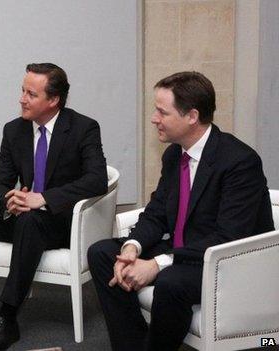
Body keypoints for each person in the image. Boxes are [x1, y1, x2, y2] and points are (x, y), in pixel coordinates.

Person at [88, 71, 274, 351]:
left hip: (228, 263)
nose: (154, 118)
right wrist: (132, 248)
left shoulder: (239, 162)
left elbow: (228, 237)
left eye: (162, 112)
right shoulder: (175, 155)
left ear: (192, 116)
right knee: (102, 253)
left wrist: (157, 264)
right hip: (186, 251)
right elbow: (157, 212)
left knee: (172, 283)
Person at [0, 63, 108, 350]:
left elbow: (97, 180)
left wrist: (43, 199)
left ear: (53, 100)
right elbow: (0, 181)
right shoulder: (14, 130)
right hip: (22, 217)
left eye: (31, 93)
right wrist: (10, 199)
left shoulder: (83, 128)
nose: (22, 99)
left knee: (32, 220)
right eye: (22, 90)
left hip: (61, 222)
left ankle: (8, 318)